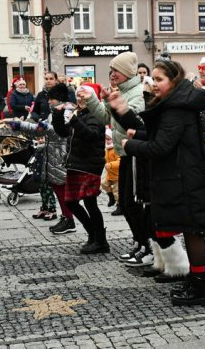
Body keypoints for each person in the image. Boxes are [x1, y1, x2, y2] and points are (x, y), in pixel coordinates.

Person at [122, 59, 205, 306]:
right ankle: (196, 281)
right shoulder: (176, 103)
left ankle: (200, 287)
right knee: (190, 230)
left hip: (185, 179)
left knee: (193, 231)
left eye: (159, 79)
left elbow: (161, 146)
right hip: (183, 177)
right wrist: (139, 135)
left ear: (173, 81)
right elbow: (166, 137)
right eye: (153, 79)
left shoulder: (177, 108)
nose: (154, 84)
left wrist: (130, 145)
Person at [83, 51, 147, 261]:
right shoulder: (120, 90)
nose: (112, 74)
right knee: (127, 204)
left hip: (136, 153)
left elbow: (132, 123)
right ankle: (140, 242)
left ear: (127, 72)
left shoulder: (137, 92)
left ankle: (146, 245)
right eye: (111, 70)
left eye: (116, 70)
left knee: (132, 203)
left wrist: (114, 103)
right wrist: (93, 99)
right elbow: (105, 119)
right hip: (124, 153)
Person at [6, 83, 75, 231]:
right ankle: (66, 218)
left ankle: (69, 220)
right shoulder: (55, 111)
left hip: (61, 155)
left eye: (51, 99)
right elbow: (42, 129)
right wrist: (21, 125)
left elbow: (58, 131)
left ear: (59, 98)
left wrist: (24, 126)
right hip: (53, 154)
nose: (49, 102)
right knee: (57, 187)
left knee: (62, 189)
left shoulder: (67, 110)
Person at [51, 84, 108, 254]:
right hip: (77, 164)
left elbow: (91, 135)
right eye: (79, 96)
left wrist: (74, 120)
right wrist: (58, 114)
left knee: (90, 203)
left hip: (90, 165)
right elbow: (62, 132)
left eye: (85, 96)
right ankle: (93, 234)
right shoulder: (79, 113)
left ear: (93, 98)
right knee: (71, 202)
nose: (80, 99)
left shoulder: (96, 114)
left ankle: (100, 241)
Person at [101, 128, 120, 210]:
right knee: (103, 184)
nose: (107, 141)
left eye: (109, 139)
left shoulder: (116, 149)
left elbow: (120, 161)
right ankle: (110, 196)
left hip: (117, 175)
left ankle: (119, 206)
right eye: (106, 139)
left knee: (117, 192)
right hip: (109, 174)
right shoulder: (107, 149)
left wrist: (111, 164)